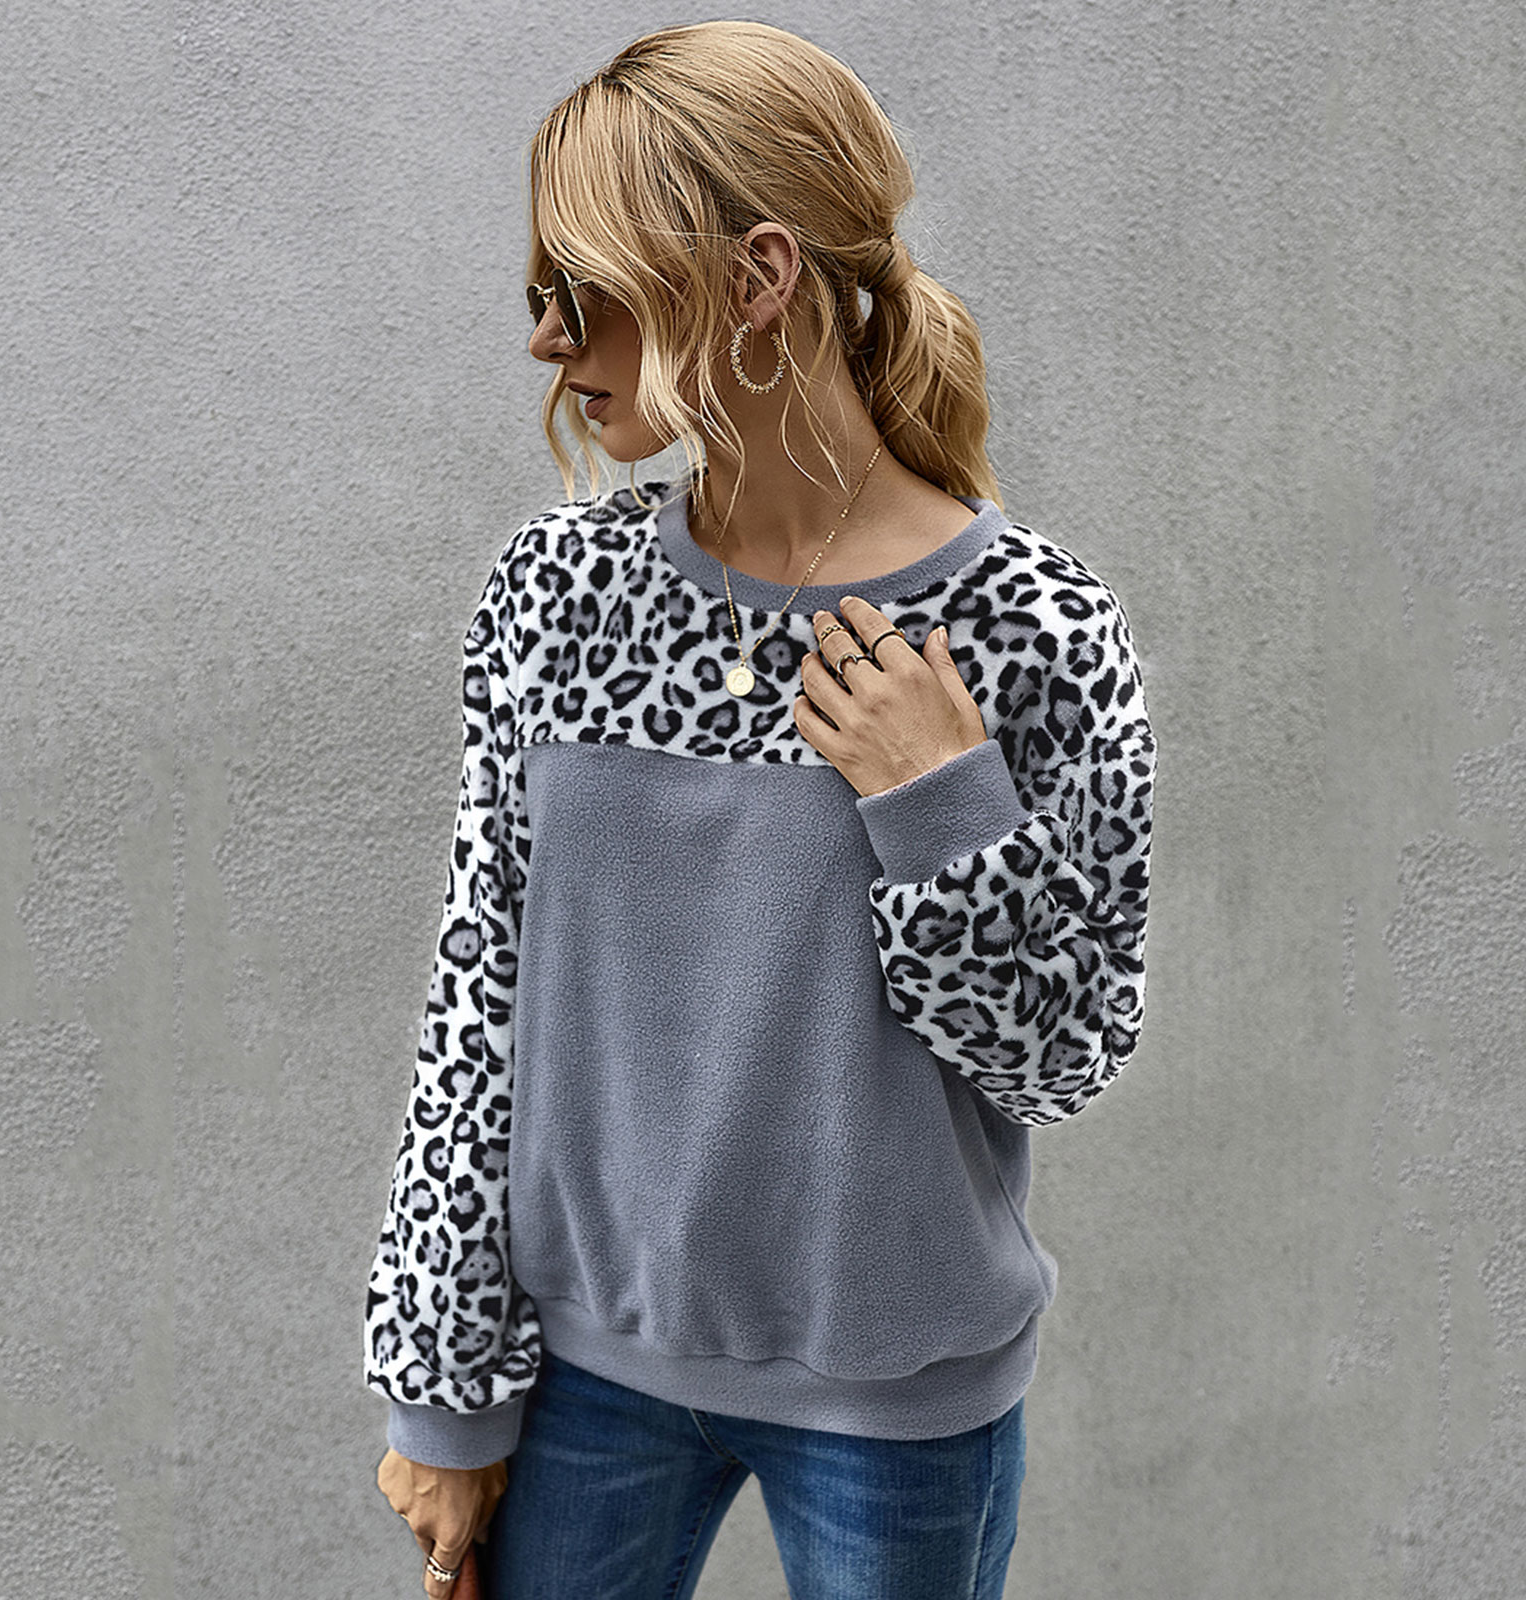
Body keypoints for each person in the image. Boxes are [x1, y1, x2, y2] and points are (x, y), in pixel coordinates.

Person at [365, 20, 1155, 1600]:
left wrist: (943, 805)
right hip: (585, 1377)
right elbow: (478, 1002)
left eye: (581, 288)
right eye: (540, 292)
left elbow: (1063, 1059)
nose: (545, 339)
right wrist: (442, 1390)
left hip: (896, 1401)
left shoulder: (1033, 626)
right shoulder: (557, 593)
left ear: (758, 275)